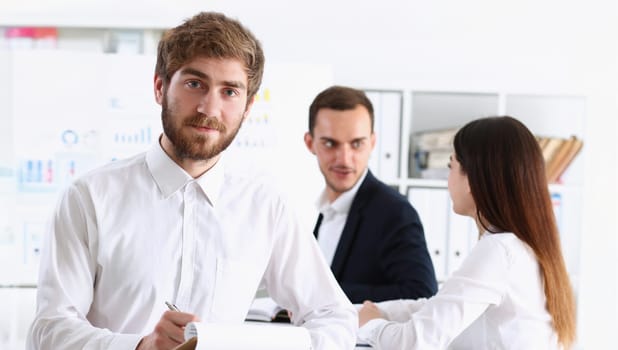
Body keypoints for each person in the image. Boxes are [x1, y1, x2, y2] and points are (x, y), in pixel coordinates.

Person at [27, 12, 357, 350]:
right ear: (160, 87)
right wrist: (140, 347)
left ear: (248, 107)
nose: (209, 108)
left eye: (229, 92)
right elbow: (50, 330)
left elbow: (335, 318)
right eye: (194, 84)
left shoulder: (265, 207)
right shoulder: (90, 198)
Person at [357, 116, 576, 349]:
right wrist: (376, 310)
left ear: (471, 179)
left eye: (451, 166)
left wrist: (371, 325)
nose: (447, 180)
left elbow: (414, 342)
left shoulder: (500, 251)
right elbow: (440, 307)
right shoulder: (522, 247)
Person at [304, 85, 438, 304]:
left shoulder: (394, 212)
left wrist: (323, 295)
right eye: (330, 144)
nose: (344, 159)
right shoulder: (325, 210)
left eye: (356, 144)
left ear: (372, 143)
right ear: (310, 143)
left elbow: (421, 294)